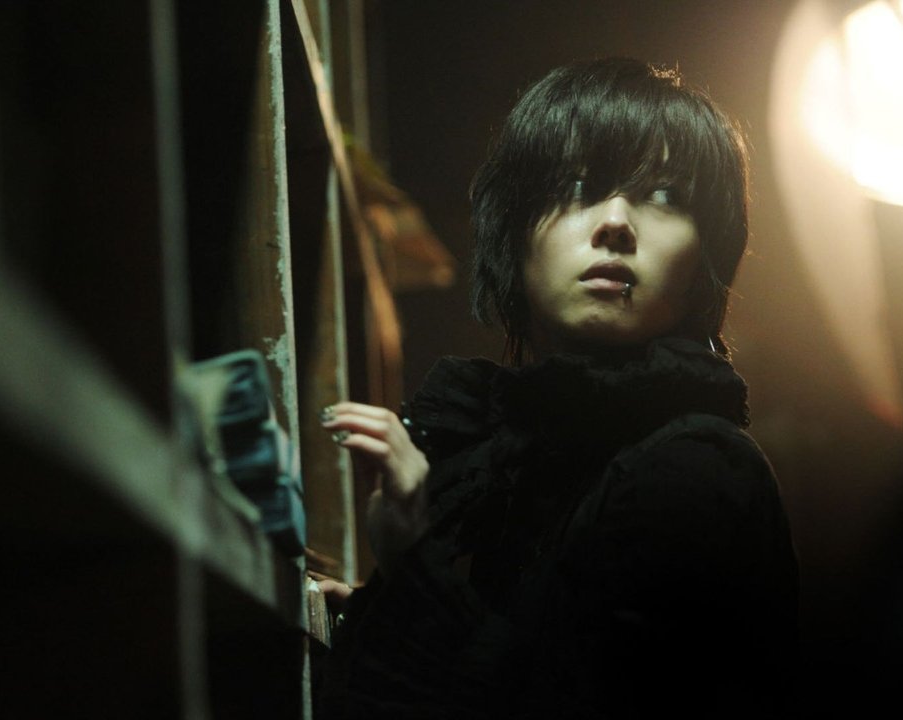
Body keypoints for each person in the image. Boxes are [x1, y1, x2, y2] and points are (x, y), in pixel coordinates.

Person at [315, 58, 799, 718]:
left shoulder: (698, 471)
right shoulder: (515, 462)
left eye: (665, 196)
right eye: (576, 186)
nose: (616, 222)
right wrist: (379, 617)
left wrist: (412, 565)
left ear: (704, 265)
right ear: (513, 235)